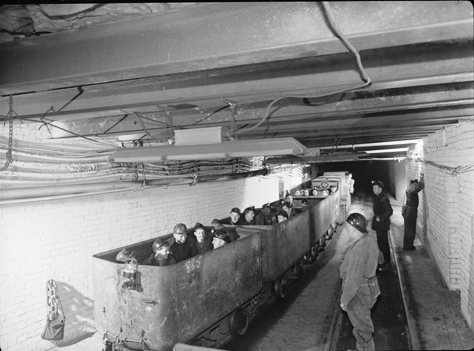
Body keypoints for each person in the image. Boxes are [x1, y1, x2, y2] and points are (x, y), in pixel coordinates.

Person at [340, 212, 380, 351]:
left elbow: (353, 280)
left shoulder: (359, 250)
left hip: (359, 294)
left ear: (353, 229)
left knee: (362, 328)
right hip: (369, 287)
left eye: (347, 228)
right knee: (363, 323)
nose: (346, 230)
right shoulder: (368, 240)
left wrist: (345, 300)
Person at [371, 181, 393, 272]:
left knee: (384, 243)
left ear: (380, 189)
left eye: (375, 188)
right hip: (379, 224)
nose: (373, 190)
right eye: (373, 188)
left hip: (382, 224)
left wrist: (381, 218)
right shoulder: (379, 197)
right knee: (381, 243)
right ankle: (386, 261)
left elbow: (389, 211)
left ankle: (387, 262)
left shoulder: (383, 198)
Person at [402, 171, 425, 251]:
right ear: (412, 185)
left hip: (407, 211)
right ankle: (409, 246)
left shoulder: (408, 189)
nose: (416, 185)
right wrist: (422, 177)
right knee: (411, 229)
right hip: (411, 211)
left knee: (408, 229)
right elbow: (421, 186)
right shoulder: (412, 190)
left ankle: (406, 245)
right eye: (415, 184)